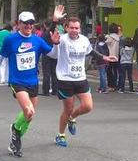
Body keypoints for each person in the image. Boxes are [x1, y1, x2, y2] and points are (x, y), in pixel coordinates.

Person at [0, 8, 62, 157]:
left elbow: (53, 55)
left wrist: (56, 44)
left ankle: (15, 134)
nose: (29, 26)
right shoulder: (11, 39)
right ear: (19, 24)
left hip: (33, 81)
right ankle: (16, 133)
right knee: (28, 110)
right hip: (17, 81)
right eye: (25, 23)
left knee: (30, 116)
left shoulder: (37, 40)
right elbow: (0, 57)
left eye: (31, 23)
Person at [49, 16, 117, 147]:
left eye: (77, 28)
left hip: (81, 78)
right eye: (72, 28)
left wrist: (105, 57)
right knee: (67, 109)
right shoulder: (62, 39)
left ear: (80, 29)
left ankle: (72, 118)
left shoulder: (84, 40)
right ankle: (60, 134)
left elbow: (91, 52)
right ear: (67, 28)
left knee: (88, 106)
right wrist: (55, 23)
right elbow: (52, 37)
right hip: (65, 79)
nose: (74, 30)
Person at [40, 21, 58, 96]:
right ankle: (55, 90)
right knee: (54, 73)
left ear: (44, 25)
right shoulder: (54, 34)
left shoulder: (46, 33)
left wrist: (54, 21)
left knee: (46, 73)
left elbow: (52, 27)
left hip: (46, 54)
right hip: (54, 53)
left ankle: (46, 91)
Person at [105, 23, 120, 90]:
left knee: (109, 71)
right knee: (115, 71)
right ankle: (115, 85)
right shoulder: (118, 37)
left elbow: (106, 43)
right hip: (116, 56)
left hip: (110, 56)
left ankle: (110, 85)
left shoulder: (110, 37)